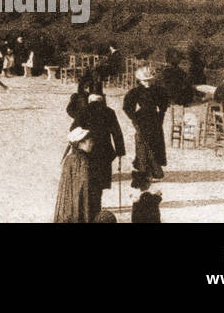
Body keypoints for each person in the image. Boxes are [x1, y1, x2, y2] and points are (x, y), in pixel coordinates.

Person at [78, 91, 126, 220]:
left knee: (87, 180)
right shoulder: (109, 112)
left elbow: (74, 129)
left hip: (88, 151)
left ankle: (86, 211)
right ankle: (96, 211)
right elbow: (117, 132)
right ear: (102, 100)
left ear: (90, 101)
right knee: (99, 184)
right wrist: (120, 151)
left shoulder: (84, 111)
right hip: (105, 153)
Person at [123, 66, 169, 180]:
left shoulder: (159, 90)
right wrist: (134, 118)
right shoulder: (135, 92)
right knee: (143, 145)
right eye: (145, 81)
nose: (147, 83)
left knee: (155, 144)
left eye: (150, 80)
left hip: (155, 119)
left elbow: (164, 104)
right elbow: (127, 107)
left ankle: (155, 171)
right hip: (141, 120)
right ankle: (145, 172)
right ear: (139, 80)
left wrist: (161, 114)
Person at [53, 128, 95, 222]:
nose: (92, 144)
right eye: (90, 141)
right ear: (81, 143)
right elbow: (82, 187)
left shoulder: (70, 158)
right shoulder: (80, 159)